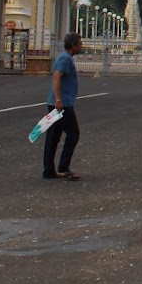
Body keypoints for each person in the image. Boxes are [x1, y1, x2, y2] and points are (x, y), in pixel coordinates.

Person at [43, 33, 84, 181]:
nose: (81, 46)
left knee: (53, 137)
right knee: (73, 134)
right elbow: (56, 76)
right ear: (73, 45)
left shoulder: (64, 57)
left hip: (56, 103)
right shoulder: (66, 59)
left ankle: (49, 170)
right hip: (62, 104)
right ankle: (63, 167)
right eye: (79, 43)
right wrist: (59, 99)